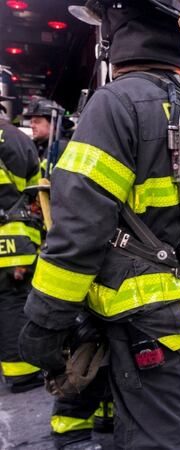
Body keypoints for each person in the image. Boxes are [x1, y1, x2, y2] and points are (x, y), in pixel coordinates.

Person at [19, 1, 180, 448]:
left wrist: (44, 323)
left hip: (144, 324)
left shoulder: (115, 103)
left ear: (116, 34)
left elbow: (79, 230)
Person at [0, 94, 43, 394]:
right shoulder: (14, 138)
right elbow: (35, 189)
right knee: (14, 302)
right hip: (13, 238)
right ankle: (21, 373)